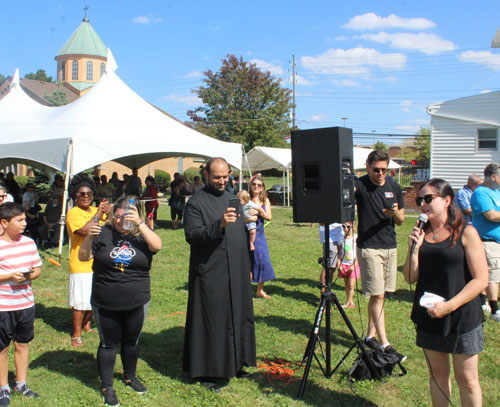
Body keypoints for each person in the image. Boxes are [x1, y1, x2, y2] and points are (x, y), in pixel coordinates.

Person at [403, 178, 488, 407]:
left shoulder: (466, 232)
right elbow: (410, 277)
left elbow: (481, 280)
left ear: (447, 200)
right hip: (430, 316)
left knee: (467, 380)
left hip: (462, 317)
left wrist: (449, 306)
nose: (423, 204)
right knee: (437, 377)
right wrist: (414, 250)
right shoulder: (421, 233)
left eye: (428, 198)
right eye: (420, 199)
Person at [79, 196, 162, 407]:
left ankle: (130, 376)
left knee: (131, 341)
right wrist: (88, 237)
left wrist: (139, 224)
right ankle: (107, 386)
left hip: (137, 299)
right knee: (108, 344)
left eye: (124, 217)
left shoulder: (141, 234)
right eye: (116, 216)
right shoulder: (103, 232)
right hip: (106, 299)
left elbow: (157, 245)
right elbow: (83, 256)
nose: (119, 221)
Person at [183, 157, 256, 392]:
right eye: (217, 177)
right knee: (213, 319)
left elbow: (241, 235)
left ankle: (237, 361)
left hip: (236, 268)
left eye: (225, 176)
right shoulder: (196, 203)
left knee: (238, 313)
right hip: (211, 269)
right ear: (206, 175)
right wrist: (219, 225)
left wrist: (248, 266)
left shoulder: (231, 197)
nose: (222, 181)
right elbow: (193, 236)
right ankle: (209, 370)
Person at [355, 149, 406, 361]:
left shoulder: (394, 187)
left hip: (390, 246)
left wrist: (394, 213)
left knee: (380, 293)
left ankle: (370, 335)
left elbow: (402, 220)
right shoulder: (359, 185)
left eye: (385, 170)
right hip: (369, 247)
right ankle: (385, 343)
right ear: (368, 167)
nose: (381, 174)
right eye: (376, 170)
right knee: (378, 295)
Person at [0, 202, 42, 404]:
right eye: (19, 220)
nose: (24, 223)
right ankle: (3, 387)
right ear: (4, 223)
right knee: (2, 347)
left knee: (22, 344)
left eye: (24, 219)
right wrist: (9, 277)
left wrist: (29, 276)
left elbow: (37, 269)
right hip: (3, 306)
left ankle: (21, 384)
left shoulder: (28, 243)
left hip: (25, 304)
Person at [66, 174, 111, 347]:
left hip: (97, 260)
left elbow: (110, 226)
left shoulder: (95, 211)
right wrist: (99, 215)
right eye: (82, 194)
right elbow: (85, 230)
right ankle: (76, 332)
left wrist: (110, 212)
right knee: (79, 300)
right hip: (80, 261)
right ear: (75, 195)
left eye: (89, 194)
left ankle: (87, 325)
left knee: (93, 296)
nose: (86, 197)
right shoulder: (73, 213)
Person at [470, 163, 500, 322]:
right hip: (487, 241)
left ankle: (483, 303)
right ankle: (495, 310)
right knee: (492, 275)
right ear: (494, 177)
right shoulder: (481, 193)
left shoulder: (496, 192)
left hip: (497, 242)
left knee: (493, 274)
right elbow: (491, 215)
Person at [249, 175, 275, 299]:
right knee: (248, 262)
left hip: (259, 234)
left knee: (262, 260)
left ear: (262, 187)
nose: (256, 187)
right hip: (246, 234)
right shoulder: (245, 198)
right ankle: (246, 291)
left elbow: (269, 217)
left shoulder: (265, 200)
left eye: (259, 185)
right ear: (250, 185)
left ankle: (260, 290)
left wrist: (259, 211)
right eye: (254, 184)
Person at [337, 222, 360, 309]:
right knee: (346, 284)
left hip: (353, 264)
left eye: (348, 227)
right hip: (344, 264)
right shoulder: (341, 238)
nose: (345, 229)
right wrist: (339, 264)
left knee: (351, 285)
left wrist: (354, 265)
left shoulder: (356, 238)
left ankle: (347, 304)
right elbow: (339, 253)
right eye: (343, 226)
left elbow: (358, 254)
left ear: (353, 226)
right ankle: (349, 300)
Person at [318, 223, 344, 293]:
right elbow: (322, 222)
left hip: (340, 237)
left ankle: (327, 292)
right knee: (328, 267)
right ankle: (323, 295)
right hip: (330, 238)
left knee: (332, 268)